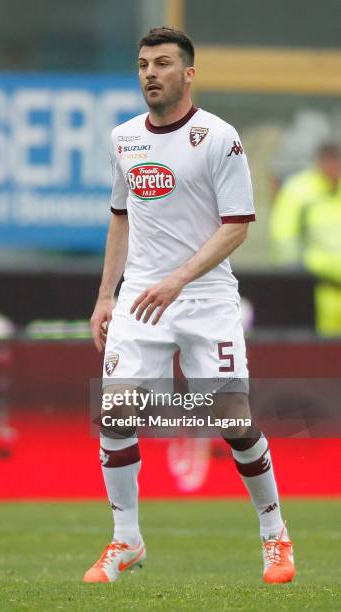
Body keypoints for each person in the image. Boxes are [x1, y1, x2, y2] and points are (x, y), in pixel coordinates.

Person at [85, 27, 295, 584]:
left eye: (162, 63)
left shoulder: (219, 138)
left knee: (232, 419)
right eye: (142, 64)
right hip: (140, 298)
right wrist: (106, 295)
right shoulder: (124, 139)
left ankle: (275, 536)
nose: (149, 73)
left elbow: (236, 229)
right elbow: (120, 217)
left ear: (188, 74)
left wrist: (178, 279)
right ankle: (126, 541)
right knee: (116, 411)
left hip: (203, 297)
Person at [270, 143, 341, 335]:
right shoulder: (299, 191)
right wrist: (293, 280)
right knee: (319, 356)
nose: (335, 167)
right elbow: (284, 236)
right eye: (330, 160)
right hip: (315, 288)